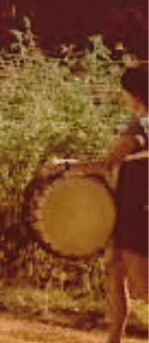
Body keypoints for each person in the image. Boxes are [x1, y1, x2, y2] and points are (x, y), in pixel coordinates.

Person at [50, 63, 147, 343]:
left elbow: (106, 164)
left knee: (142, 286)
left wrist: (64, 166)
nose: (122, 98)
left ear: (135, 94)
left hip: (137, 213)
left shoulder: (140, 126)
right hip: (129, 209)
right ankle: (113, 339)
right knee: (115, 270)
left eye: (124, 92)